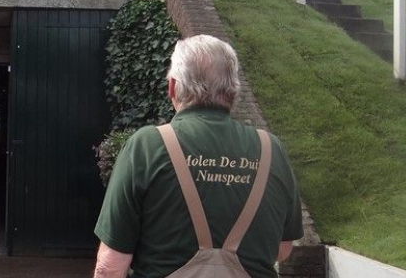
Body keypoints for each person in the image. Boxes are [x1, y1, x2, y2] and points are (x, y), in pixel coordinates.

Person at [94, 35, 303, 278]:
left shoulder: (146, 146)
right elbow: (283, 247)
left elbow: (110, 267)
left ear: (172, 86)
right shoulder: (271, 149)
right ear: (232, 90)